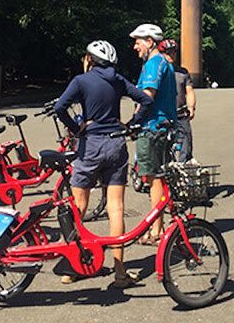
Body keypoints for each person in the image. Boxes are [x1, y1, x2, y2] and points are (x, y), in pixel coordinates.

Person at [54, 40, 153, 288]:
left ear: (89, 59)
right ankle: (120, 273)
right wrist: (130, 124)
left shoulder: (81, 81)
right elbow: (146, 100)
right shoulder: (118, 80)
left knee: (78, 206)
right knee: (116, 207)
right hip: (116, 144)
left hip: (90, 145)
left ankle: (74, 268)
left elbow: (60, 107)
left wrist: (76, 128)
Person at [130, 24, 177, 245]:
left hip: (152, 127)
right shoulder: (164, 63)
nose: (135, 47)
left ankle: (157, 230)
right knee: (156, 177)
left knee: (153, 178)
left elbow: (147, 96)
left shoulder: (153, 63)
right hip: (162, 126)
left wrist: (133, 122)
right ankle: (158, 227)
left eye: (138, 41)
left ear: (149, 41)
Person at [157, 38, 196, 161]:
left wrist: (191, 107)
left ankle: (183, 168)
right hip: (164, 116)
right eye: (168, 52)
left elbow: (189, 91)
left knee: (186, 144)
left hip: (180, 114)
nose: (171, 55)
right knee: (163, 148)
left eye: (173, 52)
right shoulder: (157, 71)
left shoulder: (182, 72)